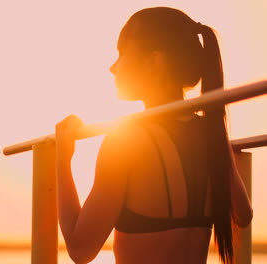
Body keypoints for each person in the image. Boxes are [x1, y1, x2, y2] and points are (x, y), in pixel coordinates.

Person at [55, 7, 253, 264]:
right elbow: (243, 215)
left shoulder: (126, 140)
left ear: (154, 61)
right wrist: (226, 155)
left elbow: (80, 250)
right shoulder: (210, 134)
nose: (112, 67)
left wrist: (62, 159)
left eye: (122, 53)